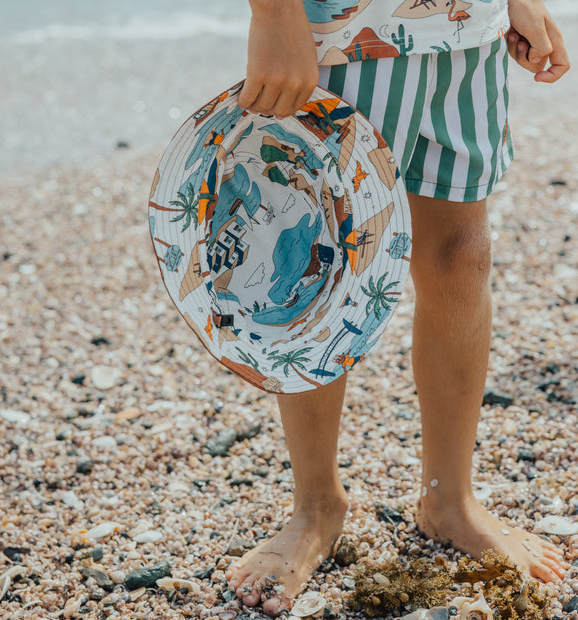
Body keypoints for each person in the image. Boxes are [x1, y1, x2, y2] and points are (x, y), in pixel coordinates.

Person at [224, 0, 571, 615]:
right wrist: (276, 15)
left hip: (467, 34)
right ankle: (315, 505)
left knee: (461, 258)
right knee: (316, 258)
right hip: (339, 37)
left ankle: (449, 498)